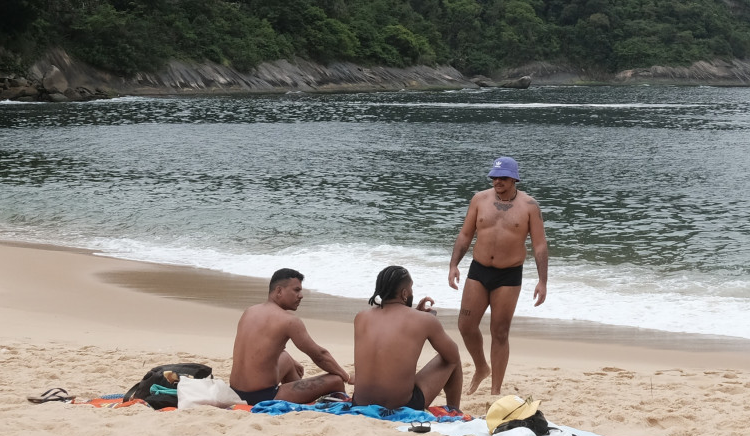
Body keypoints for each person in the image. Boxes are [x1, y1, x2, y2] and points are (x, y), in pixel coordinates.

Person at [448, 155, 549, 395]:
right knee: (465, 324)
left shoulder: (530, 206)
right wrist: (453, 265)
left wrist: (542, 281)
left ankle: (495, 391)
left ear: (514, 179)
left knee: (500, 332)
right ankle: (482, 367)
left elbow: (540, 245)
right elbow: (465, 235)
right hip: (479, 269)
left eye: (503, 178)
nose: (497, 181)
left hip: (509, 274)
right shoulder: (479, 200)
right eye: (494, 177)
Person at [227, 267, 353, 405]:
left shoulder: (250, 311)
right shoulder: (289, 320)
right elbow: (319, 355)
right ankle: (339, 406)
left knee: (286, 358)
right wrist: (346, 376)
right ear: (279, 291)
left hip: (236, 392)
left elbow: (260, 345)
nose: (301, 295)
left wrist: (292, 361)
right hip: (261, 397)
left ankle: (301, 399)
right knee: (336, 380)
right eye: (296, 290)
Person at [352, 264, 464, 413]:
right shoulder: (424, 320)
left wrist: (416, 314)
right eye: (411, 288)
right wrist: (424, 319)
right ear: (404, 293)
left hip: (360, 402)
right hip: (401, 405)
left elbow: (390, 329)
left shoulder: (361, 318)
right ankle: (454, 411)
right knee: (451, 356)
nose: (412, 292)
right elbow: (452, 354)